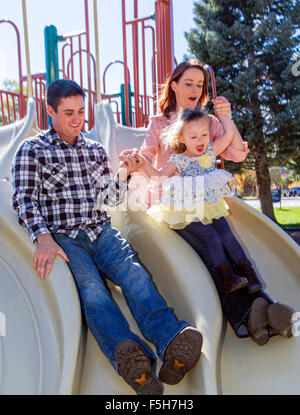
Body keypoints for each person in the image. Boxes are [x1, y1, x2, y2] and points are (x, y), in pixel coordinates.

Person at [11, 79, 203, 395]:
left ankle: (171, 340)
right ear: (50, 111)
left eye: (81, 111)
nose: (77, 119)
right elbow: (24, 198)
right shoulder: (33, 150)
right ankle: (130, 357)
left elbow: (109, 201)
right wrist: (43, 237)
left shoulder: (94, 149)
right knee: (93, 293)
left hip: (101, 231)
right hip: (65, 238)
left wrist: (124, 174)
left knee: (136, 277)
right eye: (68, 112)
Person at [121, 59, 293, 345]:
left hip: (205, 201)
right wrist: (136, 159)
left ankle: (258, 311)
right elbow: (150, 156)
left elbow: (236, 152)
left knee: (225, 240)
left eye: (199, 85)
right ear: (174, 85)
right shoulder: (159, 123)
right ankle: (253, 311)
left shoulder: (208, 122)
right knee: (208, 246)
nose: (194, 89)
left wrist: (227, 117)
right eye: (188, 83)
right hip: (176, 206)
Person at [130, 109, 262, 296]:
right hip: (188, 209)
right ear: (182, 138)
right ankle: (228, 278)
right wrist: (143, 162)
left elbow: (230, 133)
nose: (200, 140)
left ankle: (250, 276)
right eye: (193, 136)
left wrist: (225, 115)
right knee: (212, 237)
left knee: (227, 236)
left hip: (210, 204)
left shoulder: (210, 152)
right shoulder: (179, 160)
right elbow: (159, 176)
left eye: (204, 134)